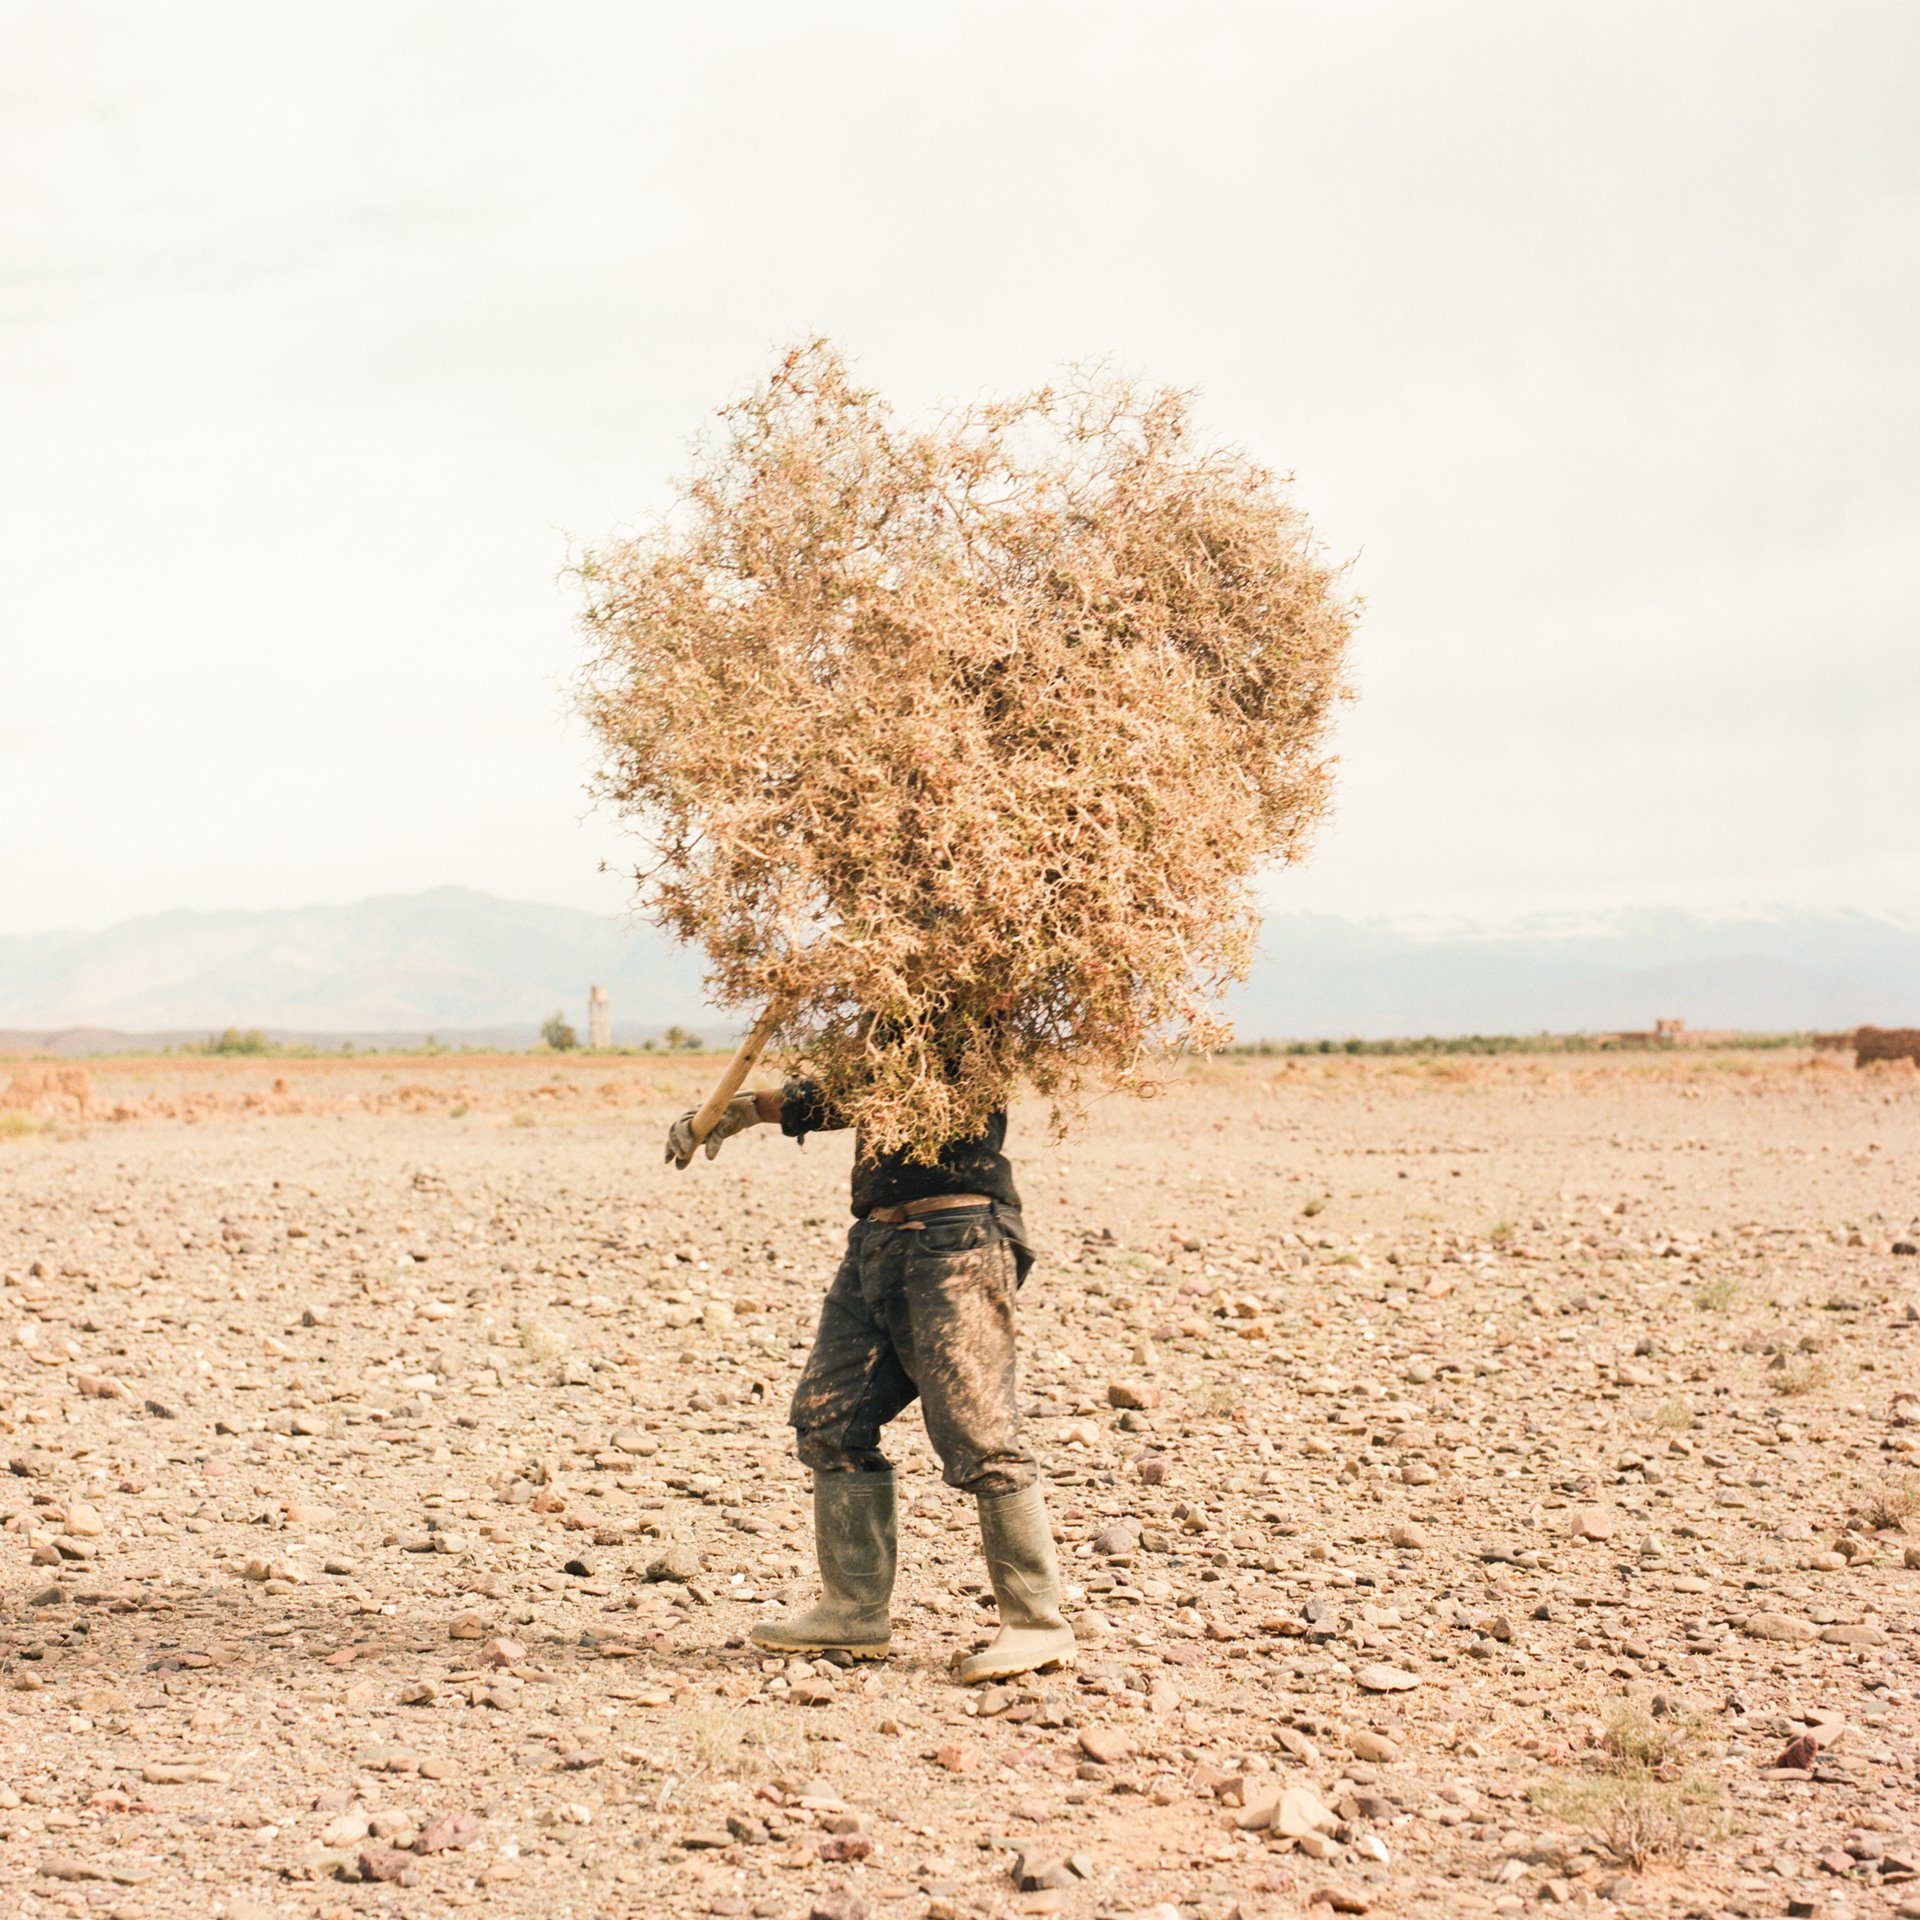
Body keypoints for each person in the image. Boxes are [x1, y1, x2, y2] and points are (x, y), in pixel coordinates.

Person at [665, 1078, 1075, 1683]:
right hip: (879, 1239)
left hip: (958, 1239)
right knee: (829, 1419)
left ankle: (1036, 1624)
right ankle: (852, 1612)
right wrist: (748, 1109)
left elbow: (878, 1087)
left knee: (979, 1434)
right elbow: (857, 1091)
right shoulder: (884, 1018)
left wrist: (753, 1107)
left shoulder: (961, 1012)